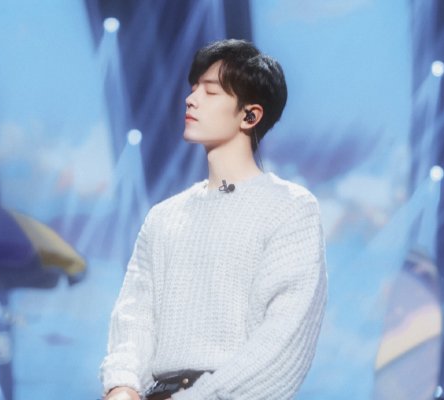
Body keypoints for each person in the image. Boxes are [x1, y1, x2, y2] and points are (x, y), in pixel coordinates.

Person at [100, 39, 327, 400]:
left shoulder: (290, 208)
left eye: (210, 91)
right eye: (193, 89)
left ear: (250, 115)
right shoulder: (164, 216)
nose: (191, 100)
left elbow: (284, 338)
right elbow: (134, 316)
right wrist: (122, 387)